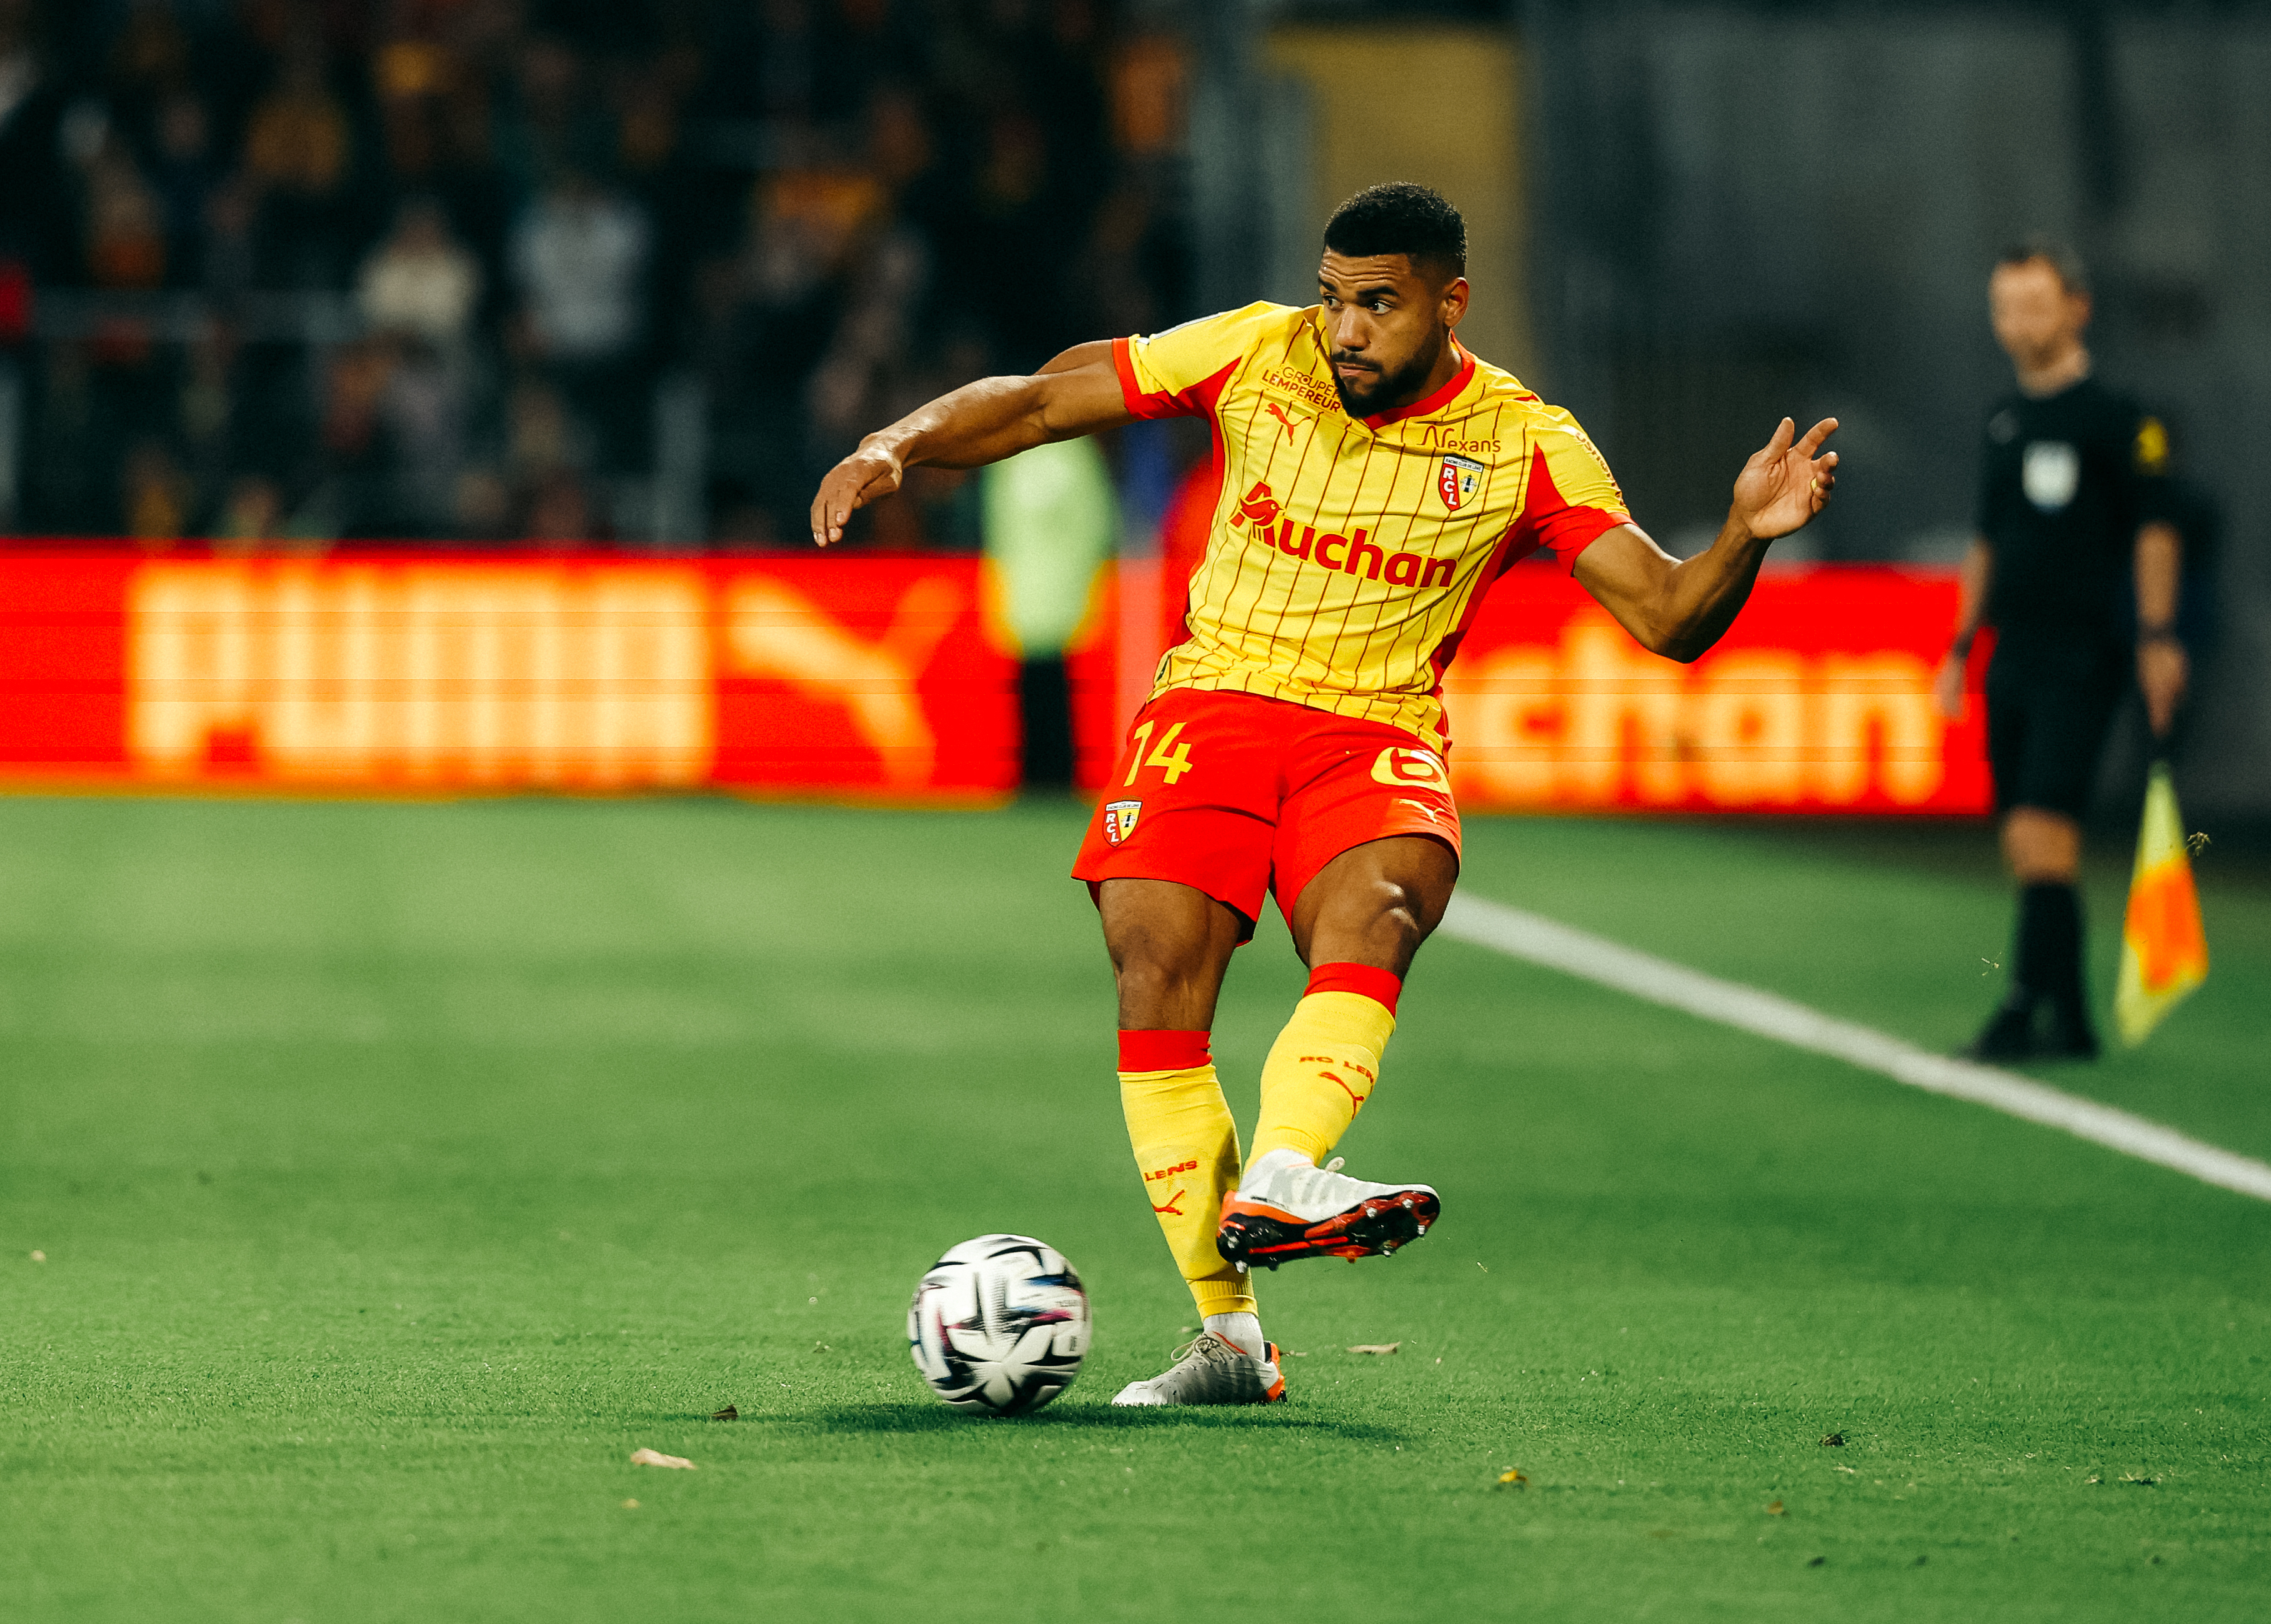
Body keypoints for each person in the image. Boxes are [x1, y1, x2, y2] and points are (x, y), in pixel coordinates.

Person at [809, 183, 1839, 1406]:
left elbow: (1668, 616)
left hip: (1375, 729)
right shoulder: (1256, 347)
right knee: (1153, 961)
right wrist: (898, 441)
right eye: (1335, 297)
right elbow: (1041, 398)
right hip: (1217, 703)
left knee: (1381, 908)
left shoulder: (1524, 440)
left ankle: (1291, 1171)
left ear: (1450, 303)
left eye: (1379, 306)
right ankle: (1230, 1340)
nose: (1346, 329)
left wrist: (1745, 533)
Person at [1929, 242, 2185, 1064]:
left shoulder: (2125, 420)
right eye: (2005, 306)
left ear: (2079, 307)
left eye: (2035, 304)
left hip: (2085, 653)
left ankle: (2018, 1006)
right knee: (2030, 843)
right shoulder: (2004, 422)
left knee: (2044, 830)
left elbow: (2156, 529)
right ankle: (2072, 1019)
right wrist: (1961, 644)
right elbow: (1986, 541)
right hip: (2015, 653)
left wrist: (2156, 634)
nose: (2018, 323)